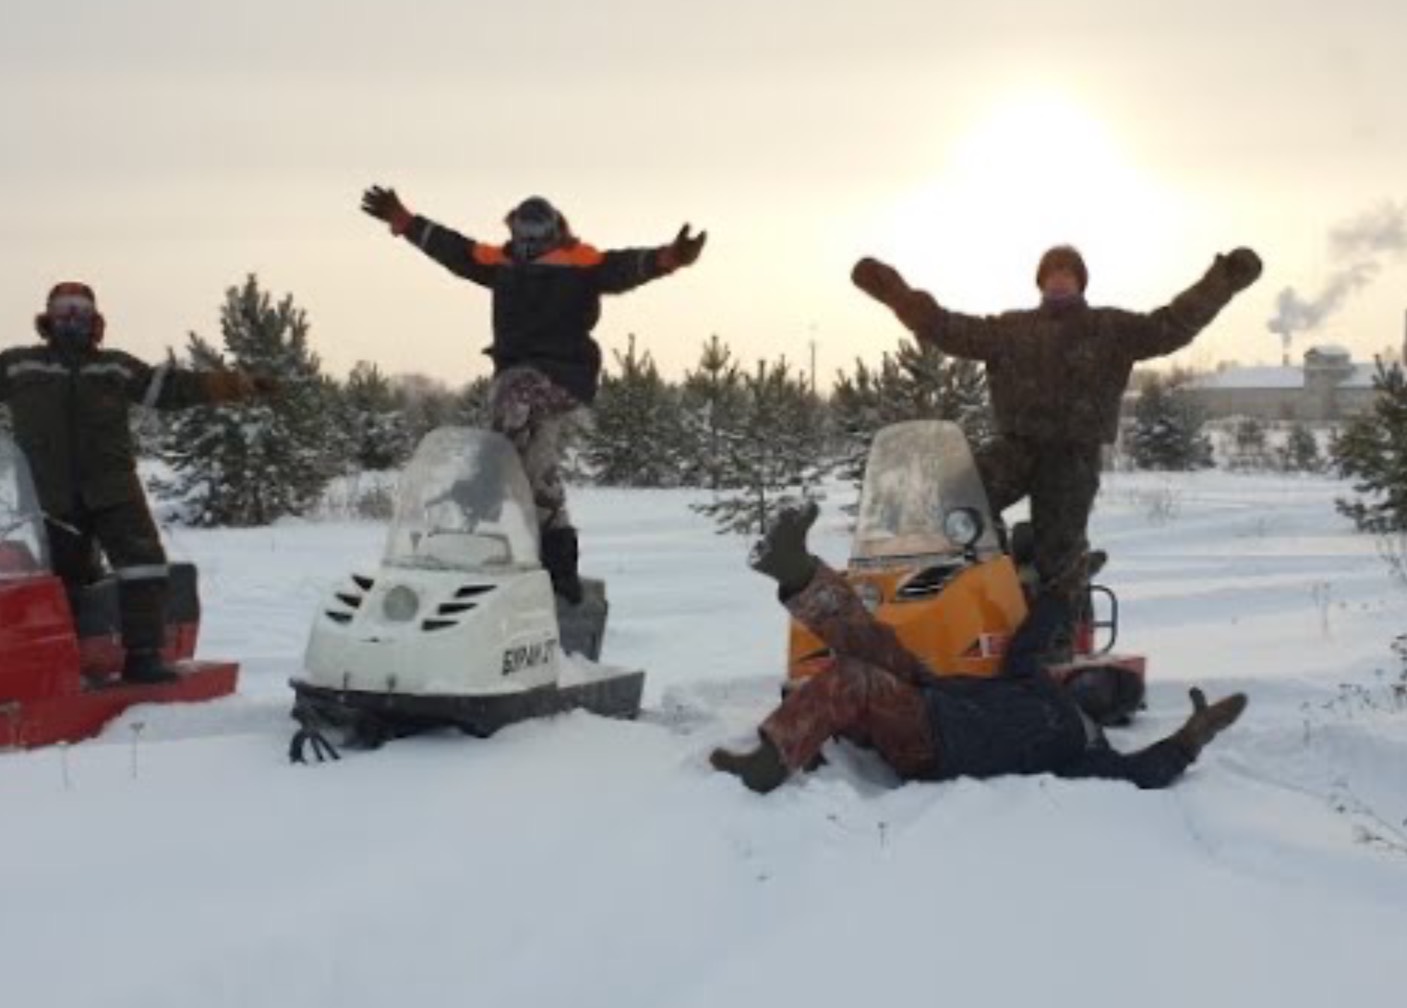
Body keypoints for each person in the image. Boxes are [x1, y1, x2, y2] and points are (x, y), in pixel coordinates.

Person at [0, 281, 272, 685]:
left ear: (95, 319)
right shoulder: (20, 366)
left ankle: (144, 657)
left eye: (80, 310)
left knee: (143, 566)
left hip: (114, 490)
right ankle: (64, 660)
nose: (72, 319)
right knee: (60, 583)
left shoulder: (115, 368)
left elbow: (177, 387)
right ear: (48, 318)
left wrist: (240, 384)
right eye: (63, 310)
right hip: (48, 497)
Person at [850, 244, 1263, 653]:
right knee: (958, 500)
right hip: (1017, 448)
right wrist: (893, 291)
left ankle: (1056, 638)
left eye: (1068, 272)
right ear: (1041, 282)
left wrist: (1222, 281)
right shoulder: (1011, 331)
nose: (1059, 278)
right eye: (1052, 272)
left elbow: (1173, 324)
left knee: (1059, 553)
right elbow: (945, 327)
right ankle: (990, 591)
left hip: (1072, 456)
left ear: (1080, 282)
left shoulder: (1110, 329)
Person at [709, 506, 1247, 794]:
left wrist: (1191, 738)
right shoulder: (1039, 684)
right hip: (933, 696)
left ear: (1107, 712)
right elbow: (1031, 643)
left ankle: (769, 763)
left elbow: (1143, 774)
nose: (1093, 686)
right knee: (876, 642)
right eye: (1096, 680)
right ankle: (797, 572)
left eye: (1104, 689)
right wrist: (1066, 592)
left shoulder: (1085, 757)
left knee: (856, 676)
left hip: (935, 747)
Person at [360, 185, 706, 603]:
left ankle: (483, 487)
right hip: (516, 377)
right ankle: (559, 577)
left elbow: (626, 267)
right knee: (535, 471)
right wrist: (406, 222)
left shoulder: (580, 262)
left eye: (537, 234)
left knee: (513, 393)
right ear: (514, 230)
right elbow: (455, 250)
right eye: (523, 234)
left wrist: (669, 257)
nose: (529, 243)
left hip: (563, 375)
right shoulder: (501, 262)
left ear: (554, 231)